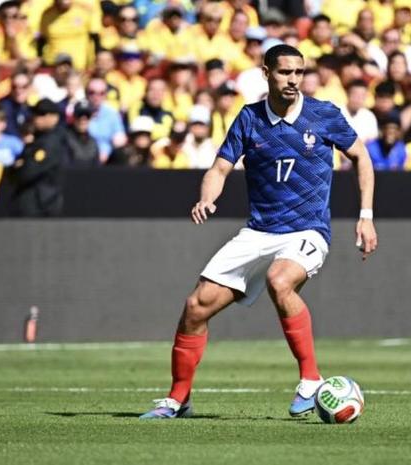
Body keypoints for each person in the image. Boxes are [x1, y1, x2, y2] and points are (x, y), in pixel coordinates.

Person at [139, 44, 377, 420]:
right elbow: (219, 168)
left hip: (308, 229)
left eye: (299, 72)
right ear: (266, 73)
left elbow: (362, 156)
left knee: (280, 281)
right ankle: (178, 399)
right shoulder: (249, 118)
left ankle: (310, 379)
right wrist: (207, 198)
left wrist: (365, 215)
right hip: (259, 231)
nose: (293, 80)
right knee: (196, 307)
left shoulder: (324, 114)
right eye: (285, 72)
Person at [6, 98, 68, 216]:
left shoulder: (50, 142)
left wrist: (20, 167)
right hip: (33, 200)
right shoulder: (38, 139)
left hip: (41, 203)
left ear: (54, 117)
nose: (35, 118)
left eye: (41, 114)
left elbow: (28, 171)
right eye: (35, 114)